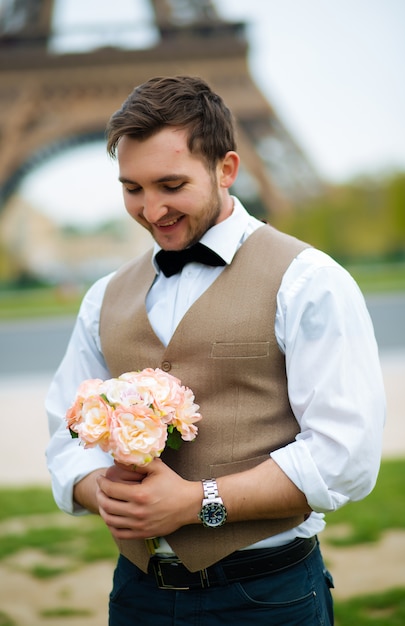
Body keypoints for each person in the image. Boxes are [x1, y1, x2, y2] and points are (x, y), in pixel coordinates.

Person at [46, 75, 385, 626]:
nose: (152, 210)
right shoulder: (102, 298)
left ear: (227, 169)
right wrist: (96, 491)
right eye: (132, 188)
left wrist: (198, 501)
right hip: (137, 596)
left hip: (266, 597)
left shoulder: (309, 281)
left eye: (171, 185)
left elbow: (344, 454)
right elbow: (66, 432)